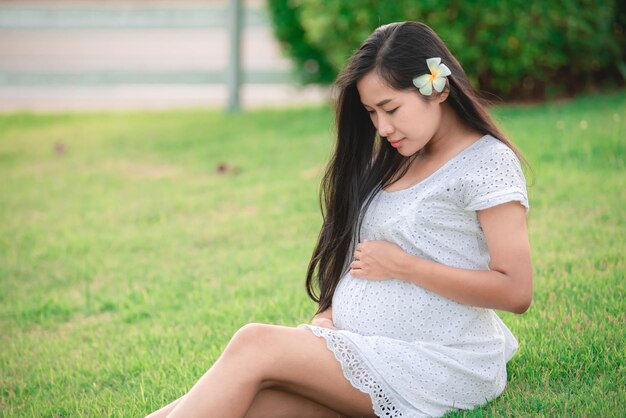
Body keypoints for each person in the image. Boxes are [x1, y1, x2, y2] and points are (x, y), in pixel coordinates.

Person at [146, 21, 533, 418]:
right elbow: (359, 258)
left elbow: (516, 290)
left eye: (391, 109)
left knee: (253, 343)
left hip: (442, 363)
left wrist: (405, 267)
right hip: (362, 348)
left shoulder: (486, 163)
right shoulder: (398, 159)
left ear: (439, 88)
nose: (383, 128)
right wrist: (327, 319)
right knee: (250, 400)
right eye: (371, 113)